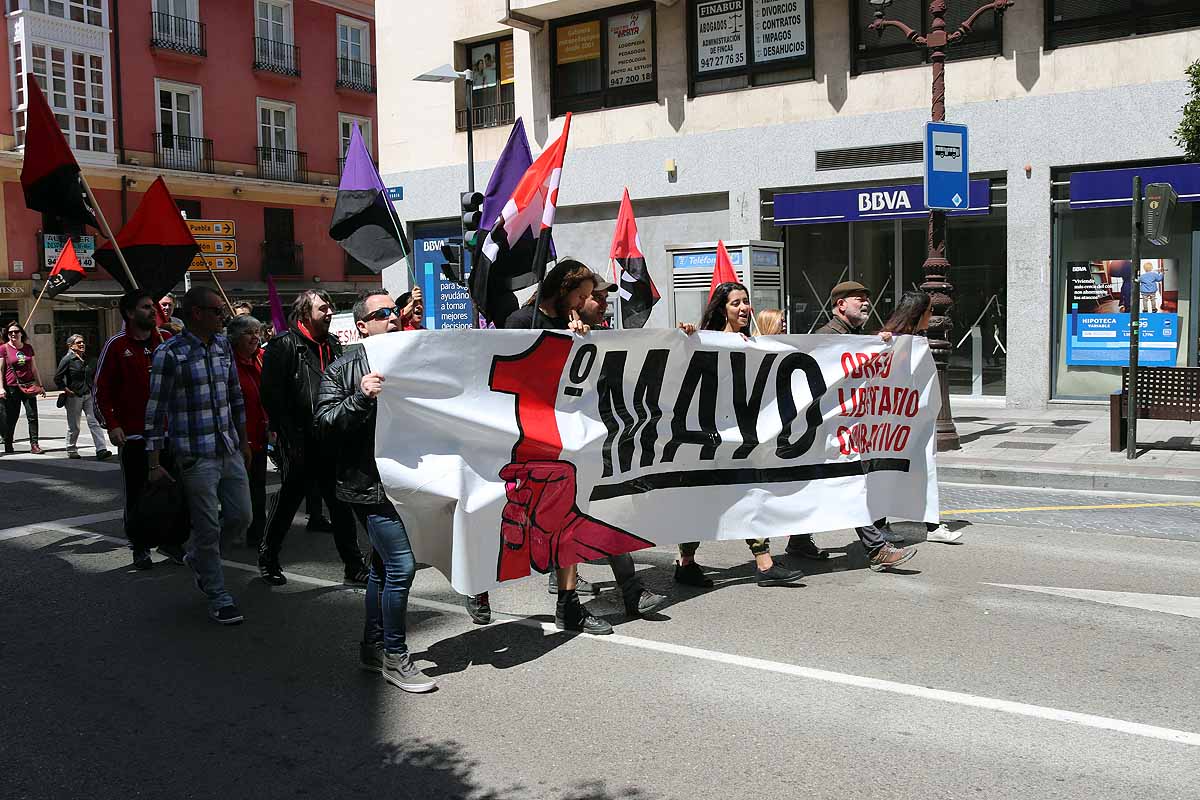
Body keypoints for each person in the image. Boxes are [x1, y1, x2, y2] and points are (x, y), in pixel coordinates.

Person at [315, 290, 436, 693]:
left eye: (395, 311)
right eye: (382, 313)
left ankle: (372, 645)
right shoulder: (343, 368)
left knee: (383, 568)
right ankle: (395, 657)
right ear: (362, 326)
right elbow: (325, 423)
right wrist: (360, 397)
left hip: (406, 480)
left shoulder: (414, 353)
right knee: (401, 566)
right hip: (367, 484)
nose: (394, 317)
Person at [481, 258, 611, 635]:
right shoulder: (522, 322)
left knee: (570, 515)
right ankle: (480, 587)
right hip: (521, 434)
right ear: (562, 290)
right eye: (581, 294)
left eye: (589, 296)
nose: (585, 301)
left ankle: (567, 606)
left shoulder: (574, 326)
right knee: (506, 517)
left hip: (561, 436)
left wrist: (578, 340)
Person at [675, 285, 806, 588]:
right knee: (699, 499)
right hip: (708, 436)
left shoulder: (752, 343)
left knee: (750, 492)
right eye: (736, 303)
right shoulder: (704, 341)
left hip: (743, 434)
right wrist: (687, 334)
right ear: (723, 308)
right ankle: (686, 563)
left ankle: (764, 563)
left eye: (746, 301)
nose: (744, 307)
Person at [144, 286, 252, 625]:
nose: (224, 317)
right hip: (196, 455)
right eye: (218, 311)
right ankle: (218, 594)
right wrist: (154, 462)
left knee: (241, 517)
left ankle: (196, 557)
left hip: (229, 447)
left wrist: (245, 441)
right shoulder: (169, 353)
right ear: (197, 314)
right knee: (206, 527)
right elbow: (155, 411)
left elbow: (235, 395)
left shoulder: (222, 345)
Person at [566, 267, 669, 619]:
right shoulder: (554, 330)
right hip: (563, 445)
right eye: (596, 297)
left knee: (609, 513)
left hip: (599, 443)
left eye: (605, 297)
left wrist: (683, 337)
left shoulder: (603, 336)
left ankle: (629, 590)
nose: (604, 303)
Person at [259, 289, 367, 586]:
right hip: (298, 440)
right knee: (289, 502)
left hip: (330, 438)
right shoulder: (283, 346)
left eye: (330, 306)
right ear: (305, 313)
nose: (330, 312)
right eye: (323, 308)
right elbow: (271, 397)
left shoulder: (332, 344)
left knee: (340, 504)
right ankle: (268, 557)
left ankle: (353, 566)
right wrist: (288, 438)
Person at [815, 281, 918, 571]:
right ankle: (876, 549)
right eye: (858, 299)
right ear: (840, 305)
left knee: (822, 485)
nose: (865, 304)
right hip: (830, 430)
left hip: (848, 428)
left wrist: (880, 346)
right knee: (851, 485)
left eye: (866, 300)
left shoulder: (857, 337)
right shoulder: (825, 337)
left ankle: (798, 542)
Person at [95, 290, 189, 569]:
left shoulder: (167, 340)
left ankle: (172, 542)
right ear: (130, 313)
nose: (153, 311)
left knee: (174, 491)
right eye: (146, 307)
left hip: (169, 432)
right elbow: (101, 391)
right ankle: (140, 545)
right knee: (138, 493)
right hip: (135, 435)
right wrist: (112, 425)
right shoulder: (115, 346)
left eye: (153, 307)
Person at [879, 291, 962, 544]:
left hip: (914, 419)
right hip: (891, 421)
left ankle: (932, 525)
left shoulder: (917, 339)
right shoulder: (891, 340)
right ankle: (878, 524)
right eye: (929, 312)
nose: (932, 317)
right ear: (919, 313)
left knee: (923, 469)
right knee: (887, 472)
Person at [753, 309, 827, 561]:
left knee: (801, 486)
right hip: (764, 438)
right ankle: (763, 554)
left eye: (785, 323)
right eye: (780, 324)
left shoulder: (793, 351)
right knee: (767, 494)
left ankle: (800, 540)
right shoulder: (752, 353)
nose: (785, 328)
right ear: (767, 325)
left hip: (790, 433)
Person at [228, 314, 270, 550]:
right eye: (249, 333)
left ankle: (257, 534)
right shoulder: (227, 363)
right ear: (234, 337)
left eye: (257, 332)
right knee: (235, 488)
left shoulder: (263, 359)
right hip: (236, 438)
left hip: (261, 435)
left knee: (257, 486)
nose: (255, 337)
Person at [54, 333, 111, 460]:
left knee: (94, 422)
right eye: (78, 342)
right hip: (74, 396)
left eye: (82, 342)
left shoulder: (85, 358)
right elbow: (57, 378)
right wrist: (66, 390)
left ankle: (101, 449)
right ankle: (71, 448)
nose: (81, 344)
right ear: (70, 346)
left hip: (88, 394)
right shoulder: (67, 360)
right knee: (74, 426)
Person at [1, 321, 46, 454]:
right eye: (10, 332)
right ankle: (8, 443)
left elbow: (34, 368)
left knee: (32, 416)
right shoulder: (3, 348)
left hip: (29, 385)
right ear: (7, 335)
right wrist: (1, 388)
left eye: (16, 331)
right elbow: (0, 369)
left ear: (21, 333)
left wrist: (41, 385)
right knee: (12, 416)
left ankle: (34, 444)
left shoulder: (28, 348)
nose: (13, 334)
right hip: (12, 387)